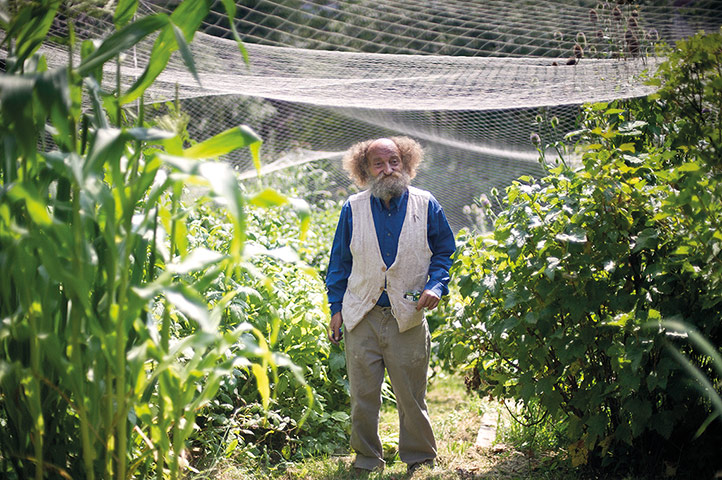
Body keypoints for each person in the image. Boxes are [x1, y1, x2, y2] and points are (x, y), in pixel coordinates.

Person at [325, 137, 455, 475]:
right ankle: (367, 459)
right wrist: (335, 308)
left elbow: (444, 251)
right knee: (363, 396)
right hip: (361, 315)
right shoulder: (352, 208)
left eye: (394, 161)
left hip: (407, 316)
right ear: (364, 169)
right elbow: (339, 263)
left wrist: (436, 284)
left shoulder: (426, 205)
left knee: (411, 395)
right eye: (379, 164)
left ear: (406, 163)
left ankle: (419, 457)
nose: (388, 169)